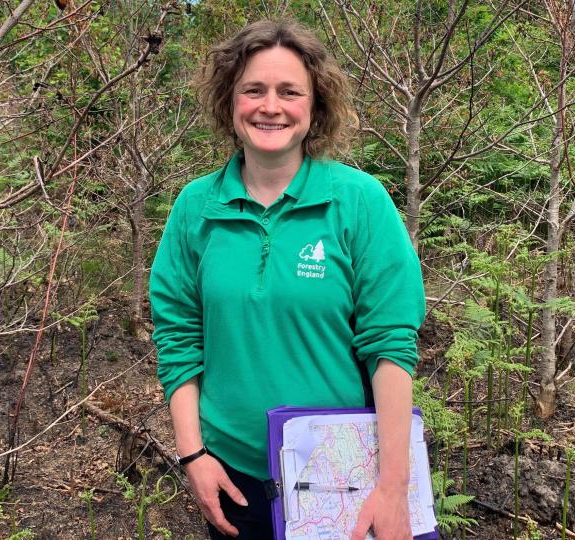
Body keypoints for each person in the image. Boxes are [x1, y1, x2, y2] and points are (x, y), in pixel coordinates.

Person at [149, 19, 425, 540]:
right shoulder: (195, 208)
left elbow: (390, 345)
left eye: (289, 92)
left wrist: (392, 486)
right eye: (253, 89)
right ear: (229, 101)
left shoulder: (359, 202)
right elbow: (178, 337)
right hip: (232, 475)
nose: (269, 106)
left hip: (341, 475)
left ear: (315, 105)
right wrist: (193, 456)